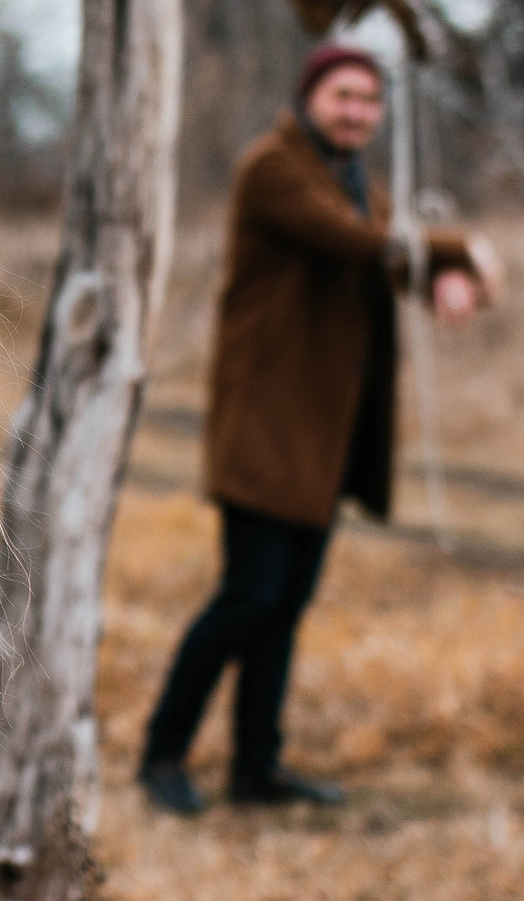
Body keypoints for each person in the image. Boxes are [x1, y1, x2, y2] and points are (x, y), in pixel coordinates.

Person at [136, 42, 503, 815]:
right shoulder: (275, 168)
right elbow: (357, 245)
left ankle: (255, 767)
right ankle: (162, 754)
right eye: (344, 95)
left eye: (369, 101)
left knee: (286, 603)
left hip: (324, 429)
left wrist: (445, 278)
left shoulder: (355, 181)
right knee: (247, 596)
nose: (357, 112)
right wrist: (464, 248)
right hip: (267, 426)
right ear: (311, 96)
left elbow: (387, 260)